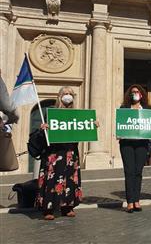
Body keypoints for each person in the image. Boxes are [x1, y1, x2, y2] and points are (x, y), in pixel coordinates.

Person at [37, 86, 98, 220]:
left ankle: (67, 207)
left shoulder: (77, 114)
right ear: (60, 96)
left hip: (70, 152)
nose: (68, 96)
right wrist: (43, 128)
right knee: (52, 179)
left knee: (70, 179)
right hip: (54, 153)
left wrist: (92, 125)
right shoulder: (51, 112)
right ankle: (48, 209)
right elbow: (46, 134)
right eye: (65, 93)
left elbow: (83, 129)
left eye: (70, 94)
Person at [119, 84, 150, 213]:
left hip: (142, 144)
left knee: (138, 172)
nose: (135, 94)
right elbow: (119, 124)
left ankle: (137, 200)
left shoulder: (147, 110)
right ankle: (130, 201)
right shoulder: (124, 108)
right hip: (127, 144)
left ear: (141, 94)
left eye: (137, 92)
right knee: (129, 171)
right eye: (133, 92)